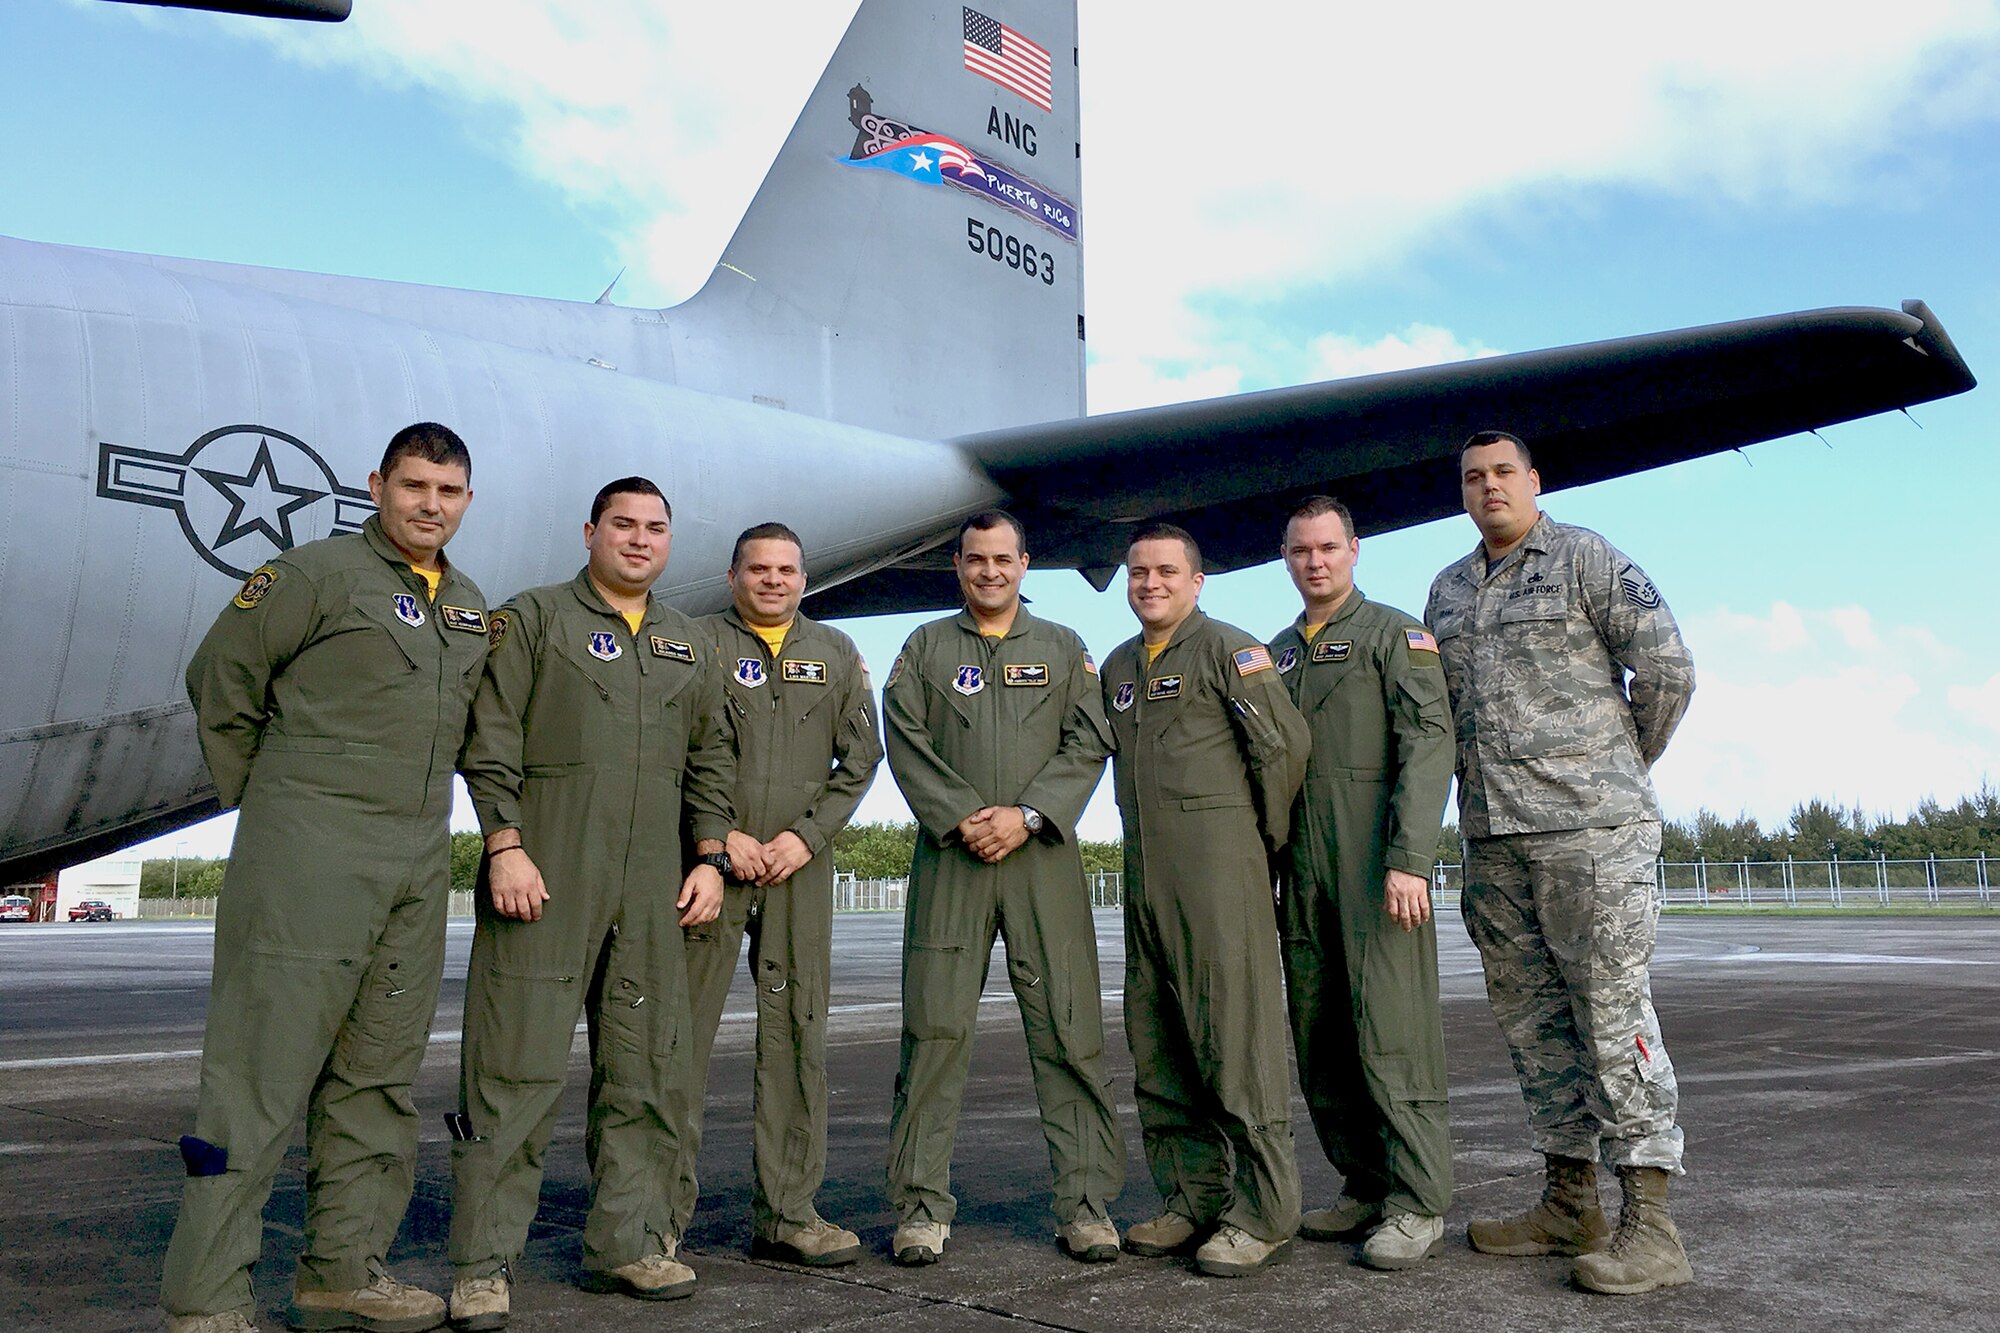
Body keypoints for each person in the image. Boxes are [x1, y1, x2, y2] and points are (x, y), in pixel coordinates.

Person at [164, 423, 484, 1333]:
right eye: (415, 485)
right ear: (377, 484)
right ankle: (207, 1298)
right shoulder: (313, 574)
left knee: (378, 1078)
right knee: (258, 1078)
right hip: (307, 849)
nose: (431, 504)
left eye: (449, 491)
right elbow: (219, 680)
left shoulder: (466, 604)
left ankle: (341, 1271)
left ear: (467, 500)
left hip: (418, 860)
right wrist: (269, 805)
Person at [447, 477, 735, 1327]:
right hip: (546, 870)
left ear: (669, 543)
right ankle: (482, 1264)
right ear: (590, 532)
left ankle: (630, 1244)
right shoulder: (533, 619)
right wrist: (504, 843)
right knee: (512, 1070)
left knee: (645, 1069)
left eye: (655, 528)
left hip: (654, 882)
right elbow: (490, 734)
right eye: (623, 525)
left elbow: (712, 754)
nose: (639, 540)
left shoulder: (690, 641)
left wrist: (712, 856)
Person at [1425, 429, 1697, 1295]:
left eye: (1504, 472)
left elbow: (1667, 669)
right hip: (1494, 840)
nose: (1489, 487)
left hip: (1591, 835)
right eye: (1473, 477)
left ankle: (1652, 1227)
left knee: (1611, 1016)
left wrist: (1612, 772)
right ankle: (1567, 1201)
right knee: (1534, 1025)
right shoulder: (1447, 591)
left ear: (1533, 481)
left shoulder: (1586, 559)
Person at [880, 511, 1124, 1267]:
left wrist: (1026, 814)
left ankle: (1084, 1206)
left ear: (1026, 563)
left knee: (1068, 1028)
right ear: (956, 565)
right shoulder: (925, 647)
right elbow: (904, 737)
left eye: (1003, 559)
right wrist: (961, 818)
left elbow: (1091, 739)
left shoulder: (1062, 647)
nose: (990, 571)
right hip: (952, 859)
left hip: (1040, 855)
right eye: (975, 560)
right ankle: (922, 1207)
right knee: (933, 1032)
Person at [667, 522, 883, 1265]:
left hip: (797, 865)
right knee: (677, 1038)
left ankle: (788, 1211)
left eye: (787, 569)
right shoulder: (693, 642)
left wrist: (808, 836)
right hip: (708, 862)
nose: (773, 581)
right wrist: (720, 835)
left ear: (803, 577)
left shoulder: (835, 653)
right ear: (732, 577)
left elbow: (861, 758)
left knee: (797, 1035)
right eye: (758, 569)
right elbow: (675, 749)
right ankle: (655, 1217)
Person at [1101, 522, 1309, 1278]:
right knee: (1159, 1039)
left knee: (1235, 1040)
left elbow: (1281, 748)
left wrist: (1258, 842)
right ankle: (1194, 1195)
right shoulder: (1121, 665)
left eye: (1165, 571)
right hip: (1146, 874)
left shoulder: (1229, 649)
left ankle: (1263, 1211)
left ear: (1196, 581)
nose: (1149, 583)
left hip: (1219, 867)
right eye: (1138, 572)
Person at [1268, 496, 1457, 1271]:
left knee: (1392, 1032)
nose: (1315, 562)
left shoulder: (1394, 634)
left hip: (1376, 868)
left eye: (1327, 547)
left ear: (1354, 550)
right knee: (1321, 1033)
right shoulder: (1275, 652)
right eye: (1301, 550)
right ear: (1286, 558)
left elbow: (1428, 741)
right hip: (1301, 869)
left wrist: (1410, 856)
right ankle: (1364, 1181)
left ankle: (1417, 1200)